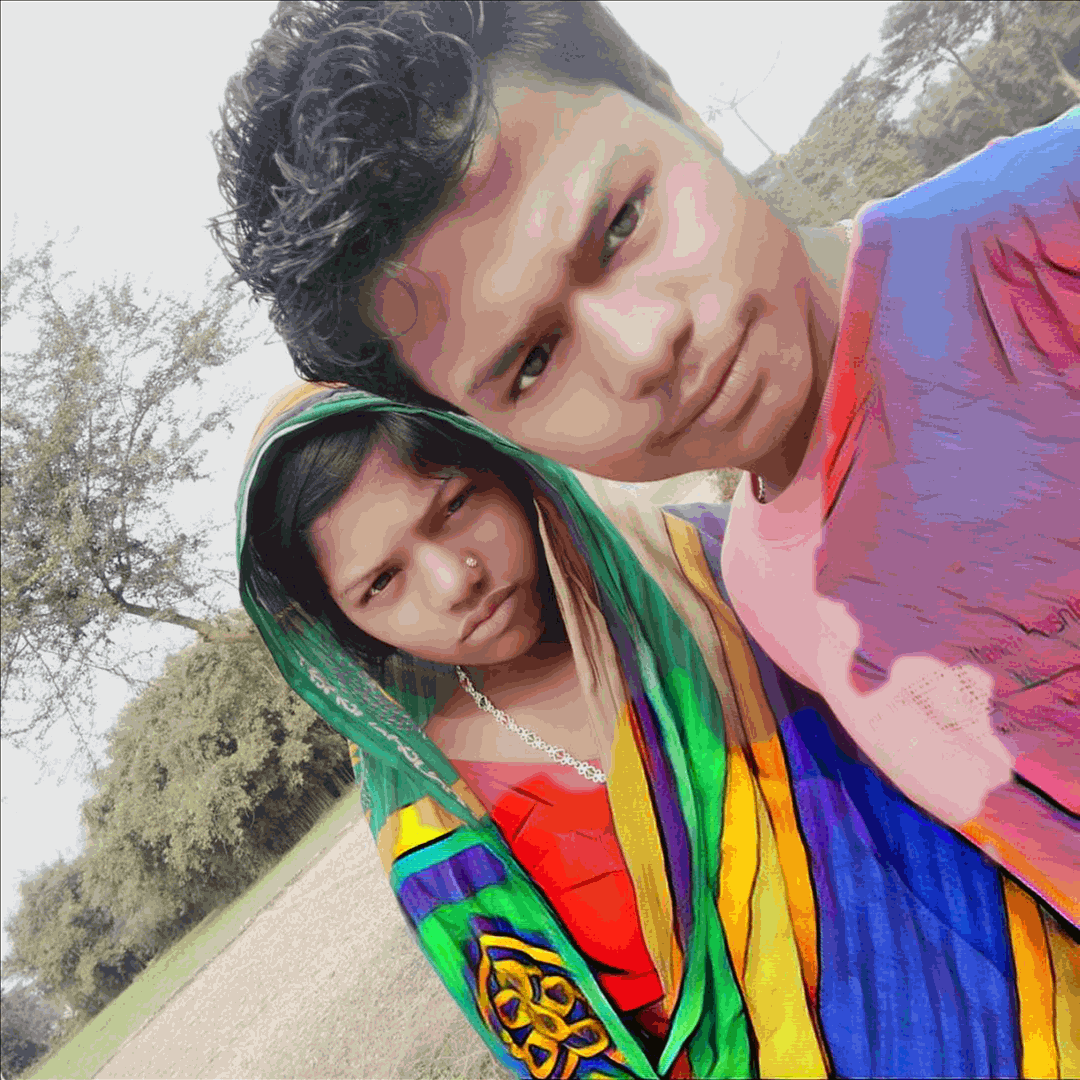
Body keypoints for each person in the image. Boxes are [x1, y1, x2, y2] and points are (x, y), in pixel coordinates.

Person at [214, 0, 1079, 931]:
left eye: (622, 224)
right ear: (492, 430)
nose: (645, 346)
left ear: (674, 104)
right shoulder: (766, 590)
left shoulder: (1041, 238)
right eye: (532, 363)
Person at [240, 382, 1074, 1079]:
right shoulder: (433, 832)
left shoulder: (721, 580)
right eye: (382, 582)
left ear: (503, 466)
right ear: (344, 629)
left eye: (456, 505)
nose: (455, 579)